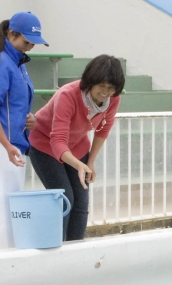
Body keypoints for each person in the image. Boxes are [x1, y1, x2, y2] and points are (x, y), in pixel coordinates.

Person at [0, 12, 48, 251]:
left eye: (33, 43)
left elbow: (10, 104)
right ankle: (2, 262)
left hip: (10, 142)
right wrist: (6, 144)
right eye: (26, 42)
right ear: (10, 34)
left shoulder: (16, 62)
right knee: (5, 207)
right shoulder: (0, 62)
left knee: (6, 205)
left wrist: (27, 119)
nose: (30, 47)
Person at [28, 55, 125, 241]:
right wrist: (79, 166)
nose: (106, 92)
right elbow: (57, 140)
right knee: (64, 198)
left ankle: (76, 248)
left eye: (111, 87)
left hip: (77, 146)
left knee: (81, 201)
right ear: (91, 81)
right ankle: (57, 246)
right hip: (45, 144)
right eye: (102, 86)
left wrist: (90, 162)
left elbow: (103, 130)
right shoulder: (68, 95)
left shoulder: (113, 99)